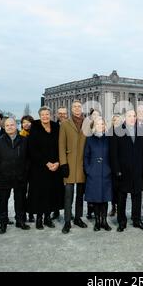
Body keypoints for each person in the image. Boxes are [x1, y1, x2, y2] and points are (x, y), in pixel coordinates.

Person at [0, 118, 30, 234]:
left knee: (20, 200)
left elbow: (28, 158)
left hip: (20, 176)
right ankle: (3, 222)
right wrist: (0, 169)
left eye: (12, 125)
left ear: (15, 126)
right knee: (3, 201)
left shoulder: (24, 140)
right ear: (4, 127)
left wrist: (24, 170)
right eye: (7, 125)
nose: (10, 127)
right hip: (4, 176)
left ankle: (20, 220)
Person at [110, 109, 143, 232]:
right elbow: (113, 153)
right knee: (122, 197)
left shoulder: (142, 131)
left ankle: (136, 219)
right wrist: (117, 170)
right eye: (129, 116)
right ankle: (121, 221)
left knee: (137, 196)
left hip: (137, 170)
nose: (132, 118)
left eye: (134, 116)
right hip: (123, 171)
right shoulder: (116, 131)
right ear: (124, 118)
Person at [27, 106, 61, 230]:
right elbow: (32, 149)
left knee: (51, 192)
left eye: (47, 114)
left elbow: (60, 145)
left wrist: (57, 162)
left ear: (50, 115)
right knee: (39, 193)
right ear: (39, 116)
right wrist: (46, 163)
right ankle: (39, 218)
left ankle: (48, 217)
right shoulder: (34, 127)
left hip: (54, 167)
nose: (45, 116)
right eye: (43, 115)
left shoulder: (56, 126)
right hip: (39, 167)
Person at [59, 100, 88, 234]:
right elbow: (61, 145)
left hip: (82, 164)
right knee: (68, 195)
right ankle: (67, 221)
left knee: (80, 195)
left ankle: (78, 218)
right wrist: (63, 163)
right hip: (69, 164)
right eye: (74, 107)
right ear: (71, 109)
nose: (77, 109)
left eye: (79, 106)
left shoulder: (87, 123)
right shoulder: (65, 124)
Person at [84, 117, 113, 232]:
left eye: (102, 124)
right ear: (94, 126)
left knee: (105, 198)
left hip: (106, 171)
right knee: (96, 198)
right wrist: (88, 169)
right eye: (98, 124)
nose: (100, 126)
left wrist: (110, 168)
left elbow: (112, 154)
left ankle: (104, 221)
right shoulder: (90, 139)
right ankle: (97, 221)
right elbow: (86, 156)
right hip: (94, 172)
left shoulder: (108, 139)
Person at [109, 114, 123, 217]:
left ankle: (119, 208)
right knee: (113, 188)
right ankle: (114, 207)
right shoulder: (109, 133)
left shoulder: (124, 133)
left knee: (120, 188)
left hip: (121, 164)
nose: (116, 122)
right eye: (114, 120)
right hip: (110, 164)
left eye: (118, 120)